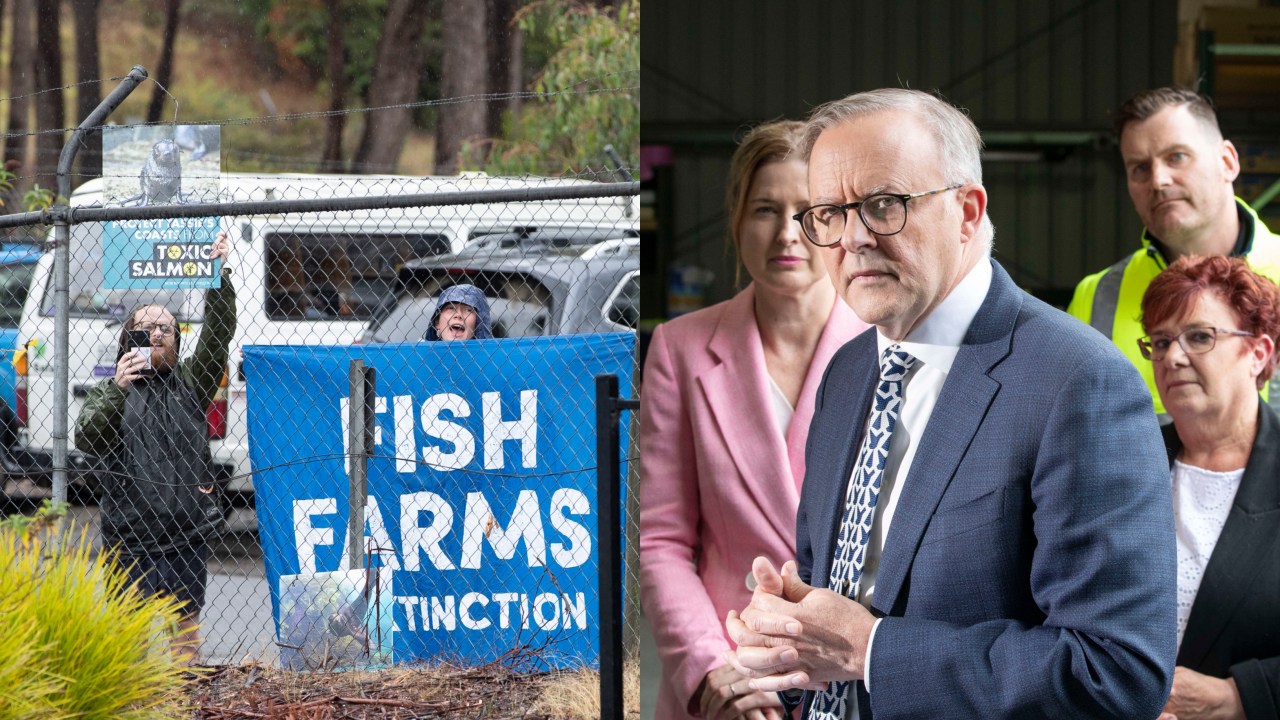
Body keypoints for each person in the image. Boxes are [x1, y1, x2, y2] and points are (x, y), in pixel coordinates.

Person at [723, 88, 1176, 719]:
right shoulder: (849, 374)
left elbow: (1114, 672)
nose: (852, 238)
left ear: (967, 211)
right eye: (828, 213)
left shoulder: (1079, 383)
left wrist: (872, 650)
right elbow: (833, 604)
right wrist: (790, 640)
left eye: (883, 205)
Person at [639, 120, 866, 720]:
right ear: (737, 218)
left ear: (837, 224)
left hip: (852, 678)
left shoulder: (890, 345)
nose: (787, 234)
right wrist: (712, 668)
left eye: (809, 212)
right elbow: (662, 541)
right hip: (729, 679)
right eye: (766, 209)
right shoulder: (681, 348)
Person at [1068, 86, 1280, 418]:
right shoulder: (1095, 298)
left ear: (1227, 162)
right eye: (1139, 168)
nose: (1158, 180)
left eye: (1176, 157)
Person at [74, 230, 235, 661]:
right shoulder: (114, 388)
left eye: (166, 328)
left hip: (184, 532)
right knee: (129, 630)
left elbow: (218, 335)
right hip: (129, 535)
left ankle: (185, 696)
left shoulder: (191, 381)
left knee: (184, 625)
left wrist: (219, 274)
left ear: (177, 339)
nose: (157, 334)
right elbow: (87, 437)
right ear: (130, 340)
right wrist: (118, 386)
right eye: (145, 329)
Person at [1138, 256, 1280, 720]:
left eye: (1199, 337)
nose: (1173, 357)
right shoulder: (1123, 462)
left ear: (1258, 353)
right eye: (1160, 342)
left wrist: (1239, 698)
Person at [423, 284, 493, 341]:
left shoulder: (493, 357)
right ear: (437, 322)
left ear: (478, 324)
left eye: (468, 310)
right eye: (451, 308)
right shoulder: (421, 356)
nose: (458, 315)